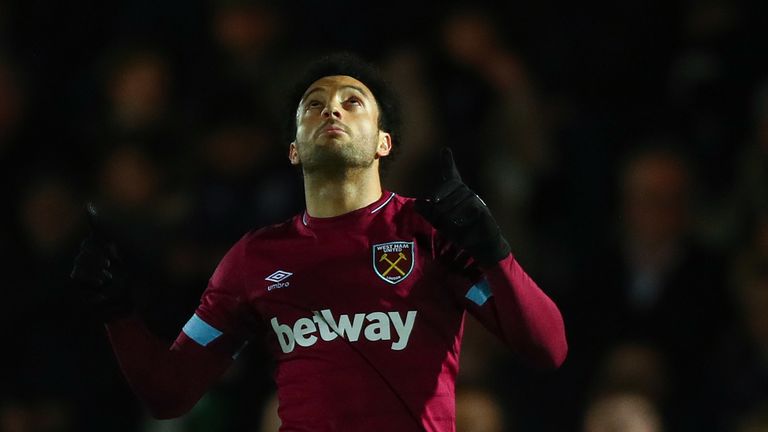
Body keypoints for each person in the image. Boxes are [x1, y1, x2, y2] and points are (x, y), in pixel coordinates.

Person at [71, 53, 567, 431]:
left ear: (383, 142)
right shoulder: (254, 258)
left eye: (353, 101)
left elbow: (550, 349)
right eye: (314, 104)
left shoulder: (430, 234)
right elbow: (169, 393)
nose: (332, 107)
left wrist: (494, 250)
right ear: (293, 148)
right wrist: (117, 313)